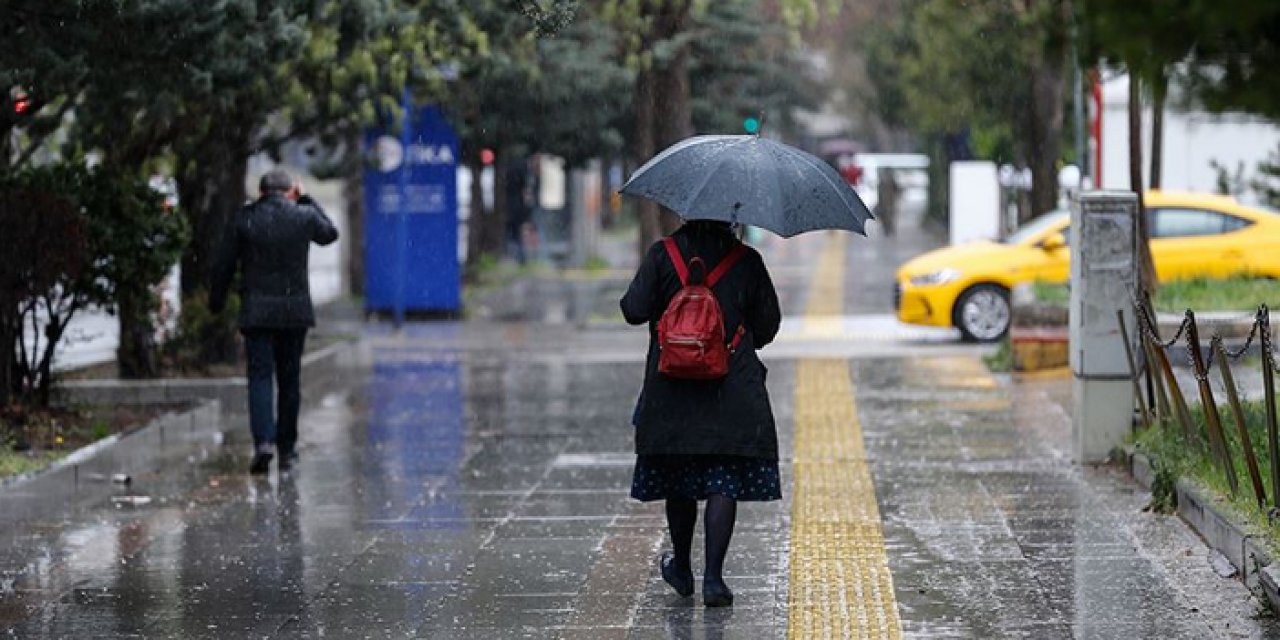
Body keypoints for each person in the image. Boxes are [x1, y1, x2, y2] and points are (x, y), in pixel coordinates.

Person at [620, 220, 782, 607]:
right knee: (722, 478)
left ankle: (682, 568)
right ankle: (713, 579)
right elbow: (768, 325)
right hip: (730, 388)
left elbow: (633, 310)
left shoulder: (664, 254)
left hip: (671, 389)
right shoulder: (746, 260)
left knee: (680, 477)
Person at [211, 168, 339, 474]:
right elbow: (330, 233)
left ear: (261, 191)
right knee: (290, 380)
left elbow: (224, 264)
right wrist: (306, 197)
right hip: (294, 313)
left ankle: (263, 444)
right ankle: (287, 449)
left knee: (259, 377)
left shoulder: (245, 218)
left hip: (256, 313)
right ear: (290, 190)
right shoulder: (303, 215)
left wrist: (216, 302)